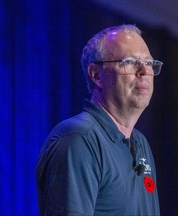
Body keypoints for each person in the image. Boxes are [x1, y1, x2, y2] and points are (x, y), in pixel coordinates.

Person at [36, 24, 163, 215]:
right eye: (130, 62)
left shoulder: (140, 143)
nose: (144, 71)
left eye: (149, 63)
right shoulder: (79, 139)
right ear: (96, 75)